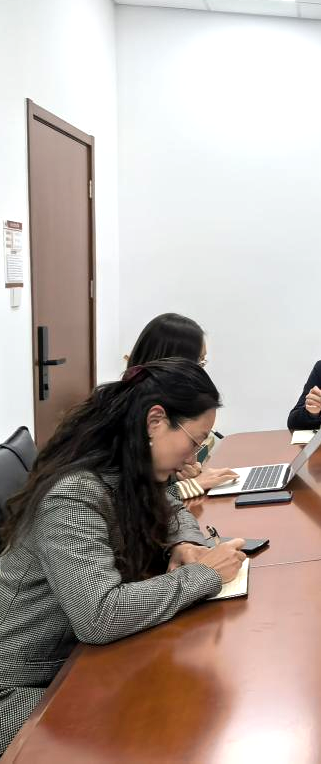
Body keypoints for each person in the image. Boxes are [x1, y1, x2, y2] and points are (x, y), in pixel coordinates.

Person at [0, 359, 247, 754]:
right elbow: (99, 616)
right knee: (146, 726)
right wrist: (205, 574)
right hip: (18, 687)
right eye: (194, 442)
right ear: (155, 422)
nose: (193, 461)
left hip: (75, 662)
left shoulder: (129, 469)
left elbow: (170, 505)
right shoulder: (73, 495)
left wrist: (184, 545)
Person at [126, 312, 237, 497]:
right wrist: (190, 486)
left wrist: (179, 475)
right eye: (199, 362)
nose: (200, 371)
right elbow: (131, 502)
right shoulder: (127, 418)